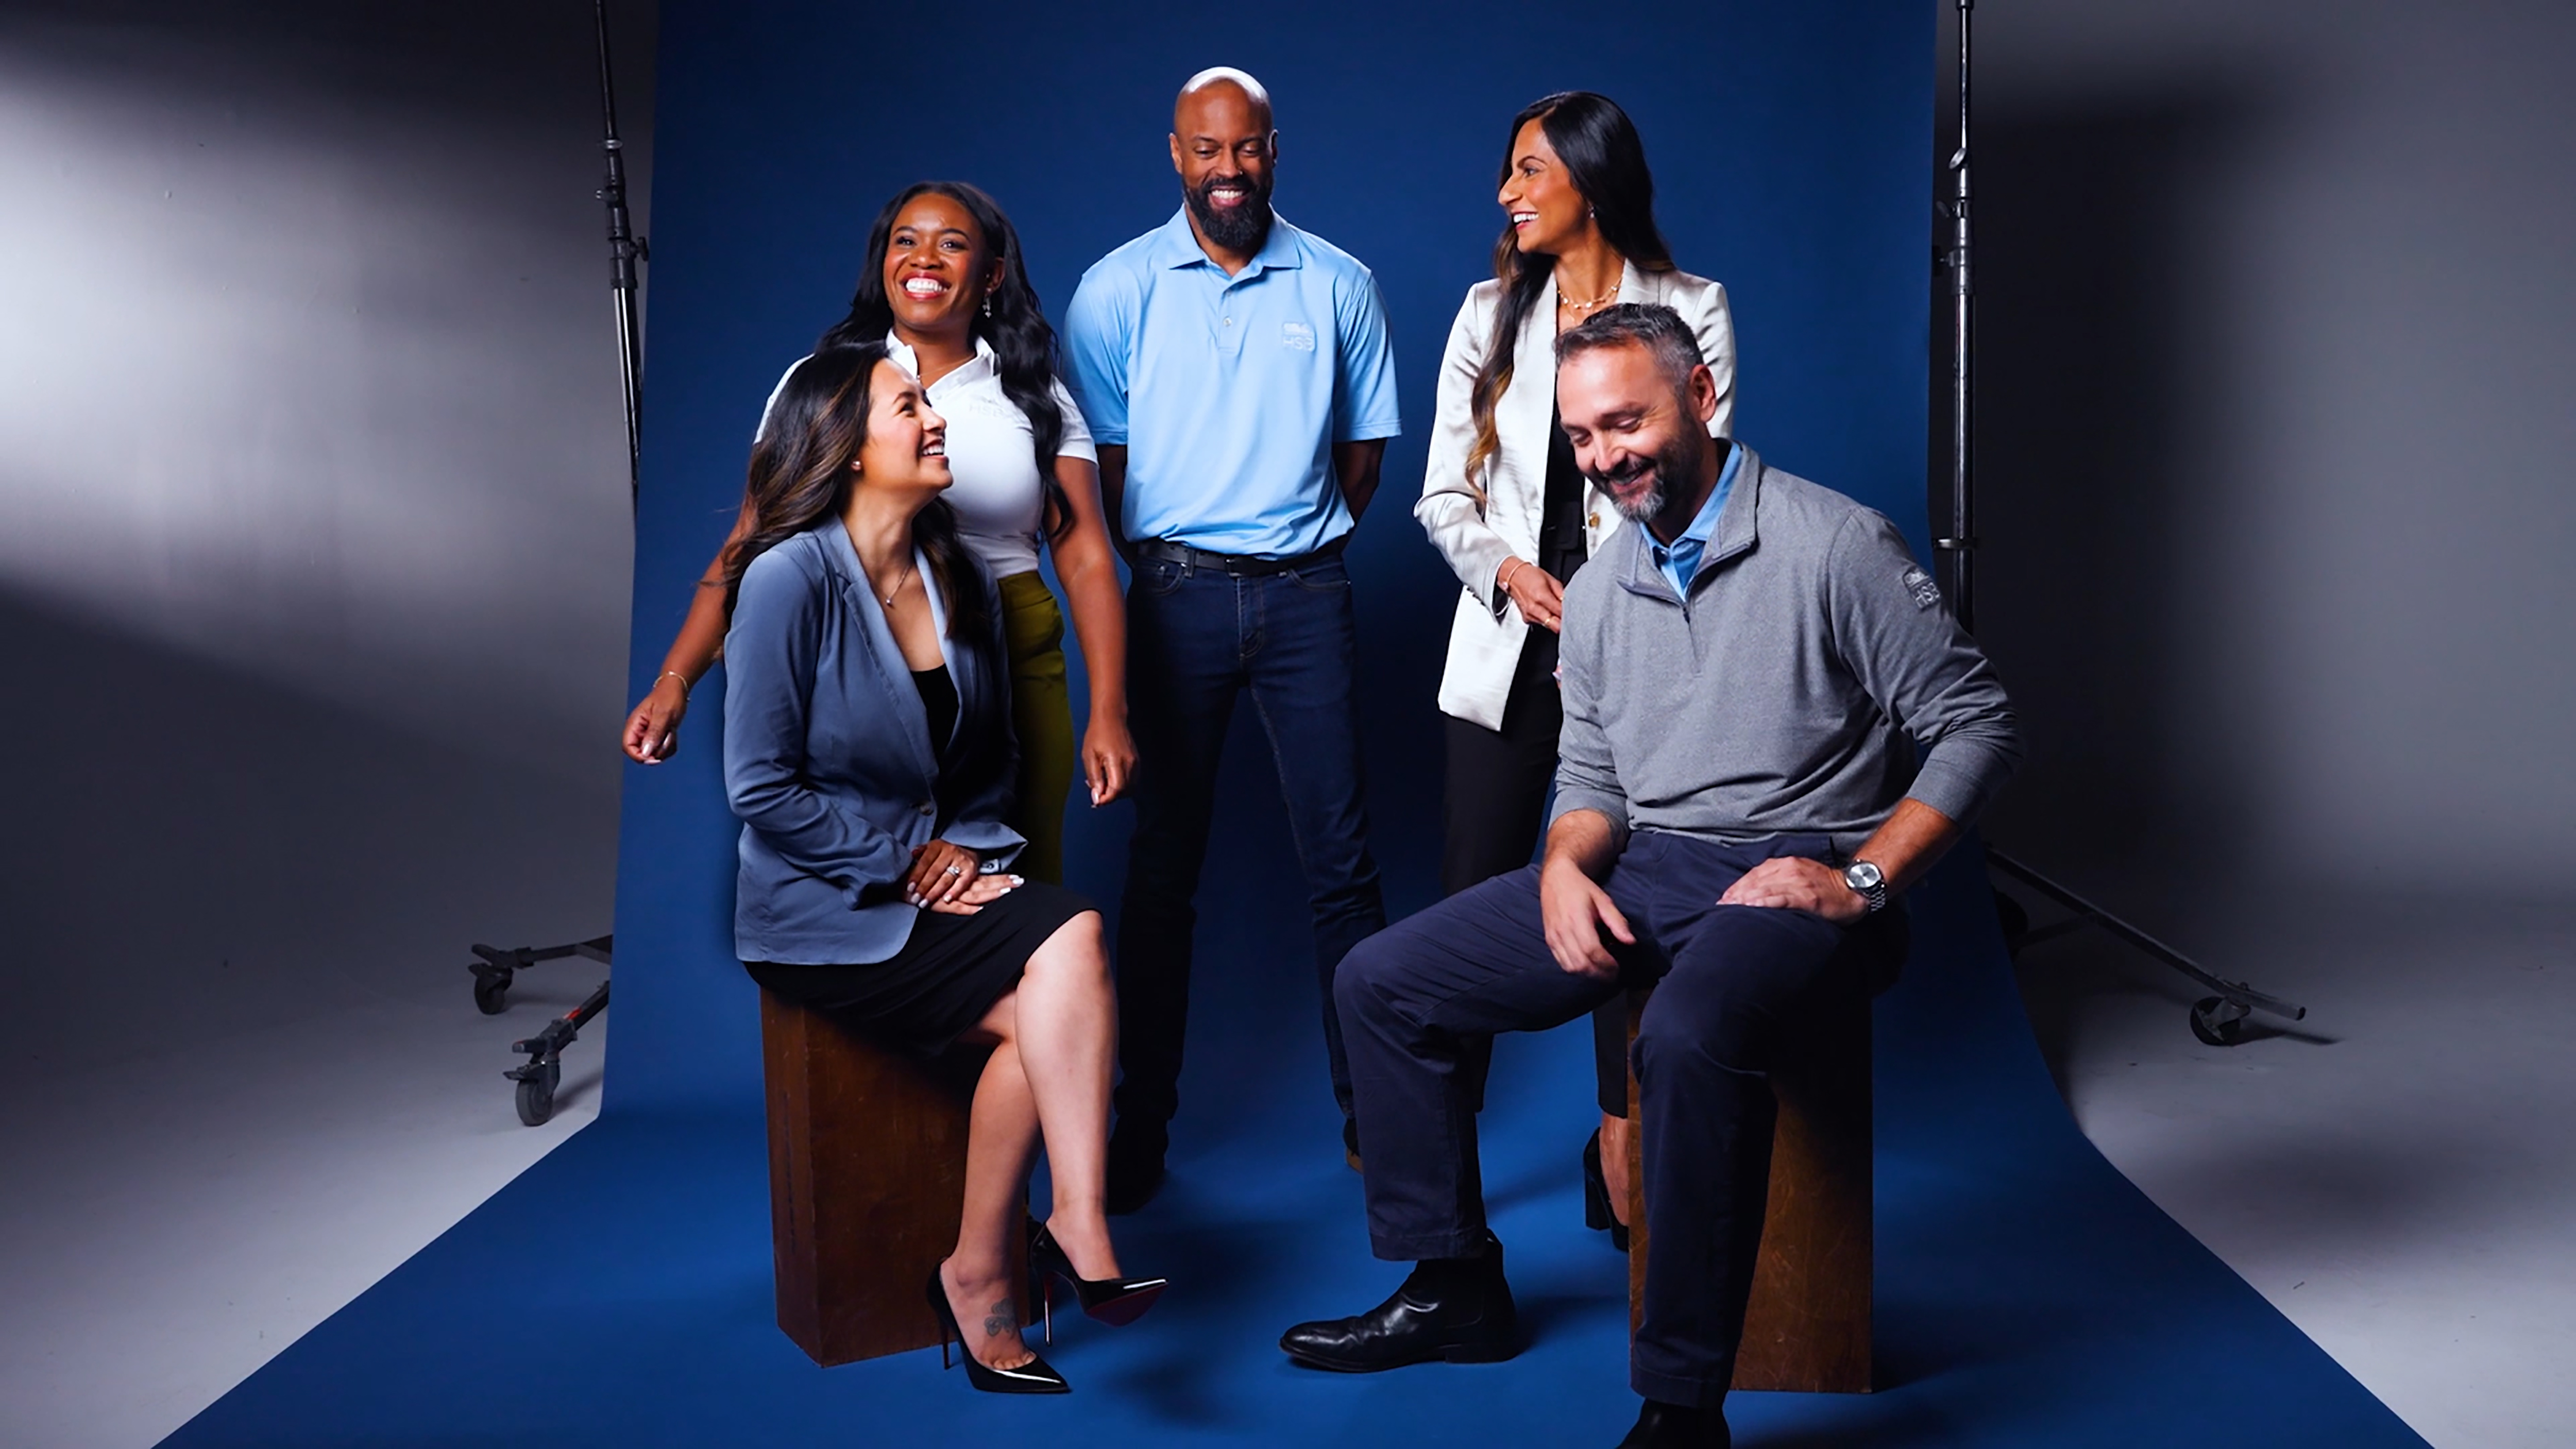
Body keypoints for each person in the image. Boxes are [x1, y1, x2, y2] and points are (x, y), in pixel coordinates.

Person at [1280, 305, 2020, 1449]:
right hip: (1649, 868)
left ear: (1701, 398)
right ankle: (1454, 1284)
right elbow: (1589, 769)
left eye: (1625, 422)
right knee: (1381, 980)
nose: (1604, 456)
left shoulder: (1834, 544)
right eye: (1580, 436)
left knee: (1678, 1037)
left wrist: (1865, 882)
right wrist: (1567, 867)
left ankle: (1681, 1405)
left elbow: (1975, 723)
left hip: (1801, 870)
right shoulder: (1609, 578)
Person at [721, 343, 1165, 1396]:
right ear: (842, 444)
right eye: (906, 406)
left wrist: (968, 859)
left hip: (942, 881)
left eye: (929, 401)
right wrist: (909, 866)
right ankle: (1063, 1227)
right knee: (1075, 942)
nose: (934, 421)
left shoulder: (950, 570)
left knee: (1047, 998)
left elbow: (992, 761)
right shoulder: (789, 579)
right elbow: (762, 789)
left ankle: (986, 1267)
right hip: (822, 914)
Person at [1061, 66, 1402, 1210]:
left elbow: (1364, 457)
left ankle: (1380, 1134)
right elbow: (1107, 472)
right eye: (1206, 151)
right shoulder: (1113, 292)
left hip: (1308, 598)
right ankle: (1138, 1137)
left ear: (1273, 150)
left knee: (1343, 875)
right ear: (1174, 154)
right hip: (1173, 602)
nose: (1226, 171)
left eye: (1245, 150)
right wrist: (1184, 563)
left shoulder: (1341, 282)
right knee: (1161, 876)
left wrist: (1293, 547)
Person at [1416, 90, 1736, 1254]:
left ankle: (1621, 1144)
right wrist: (1504, 569)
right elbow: (1440, 491)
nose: (1508, 192)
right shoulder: (1484, 314)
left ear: (1589, 181)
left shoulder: (1692, 311)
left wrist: (1596, 600)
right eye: (1508, 170)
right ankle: (1442, 1202)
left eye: (1528, 170)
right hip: (1504, 659)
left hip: (1639, 660)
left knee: (1628, 904)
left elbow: (1700, 491)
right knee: (1467, 911)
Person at [624, 182, 1133, 885]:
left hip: (1008, 645)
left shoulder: (1035, 395)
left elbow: (1086, 564)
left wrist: (1109, 710)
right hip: (855, 648)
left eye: (952, 243)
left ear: (990, 275)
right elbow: (752, 542)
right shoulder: (823, 383)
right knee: (872, 873)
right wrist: (674, 678)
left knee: (1018, 875)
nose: (924, 257)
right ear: (883, 261)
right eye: (906, 239)